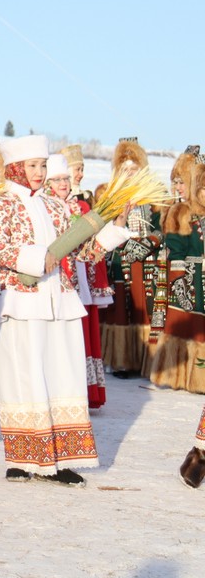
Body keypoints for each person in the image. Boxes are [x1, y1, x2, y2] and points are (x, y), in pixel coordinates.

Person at [0, 135, 131, 487]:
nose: (39, 172)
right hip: (18, 302)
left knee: (64, 375)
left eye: (43, 165)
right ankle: (24, 457)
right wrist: (38, 259)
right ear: (16, 167)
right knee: (23, 376)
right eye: (32, 165)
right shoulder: (0, 203)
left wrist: (116, 228)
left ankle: (64, 457)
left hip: (59, 301)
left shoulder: (58, 206)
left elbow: (82, 252)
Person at [46, 153, 107, 409]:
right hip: (52, 279)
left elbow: (91, 248)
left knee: (77, 336)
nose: (63, 183)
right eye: (57, 179)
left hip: (77, 280)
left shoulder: (80, 208)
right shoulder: (42, 207)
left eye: (66, 178)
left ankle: (80, 393)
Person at [99, 137, 160, 377]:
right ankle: (122, 359)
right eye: (125, 170)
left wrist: (149, 242)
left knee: (143, 308)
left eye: (134, 170)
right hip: (119, 260)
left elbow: (161, 226)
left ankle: (145, 360)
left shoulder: (153, 197)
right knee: (121, 309)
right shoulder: (111, 198)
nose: (130, 174)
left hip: (146, 263)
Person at [150, 158, 205, 393]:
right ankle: (186, 376)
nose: (178, 188)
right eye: (175, 182)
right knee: (191, 329)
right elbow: (176, 249)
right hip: (191, 280)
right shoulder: (182, 212)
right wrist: (180, 282)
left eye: (183, 182)